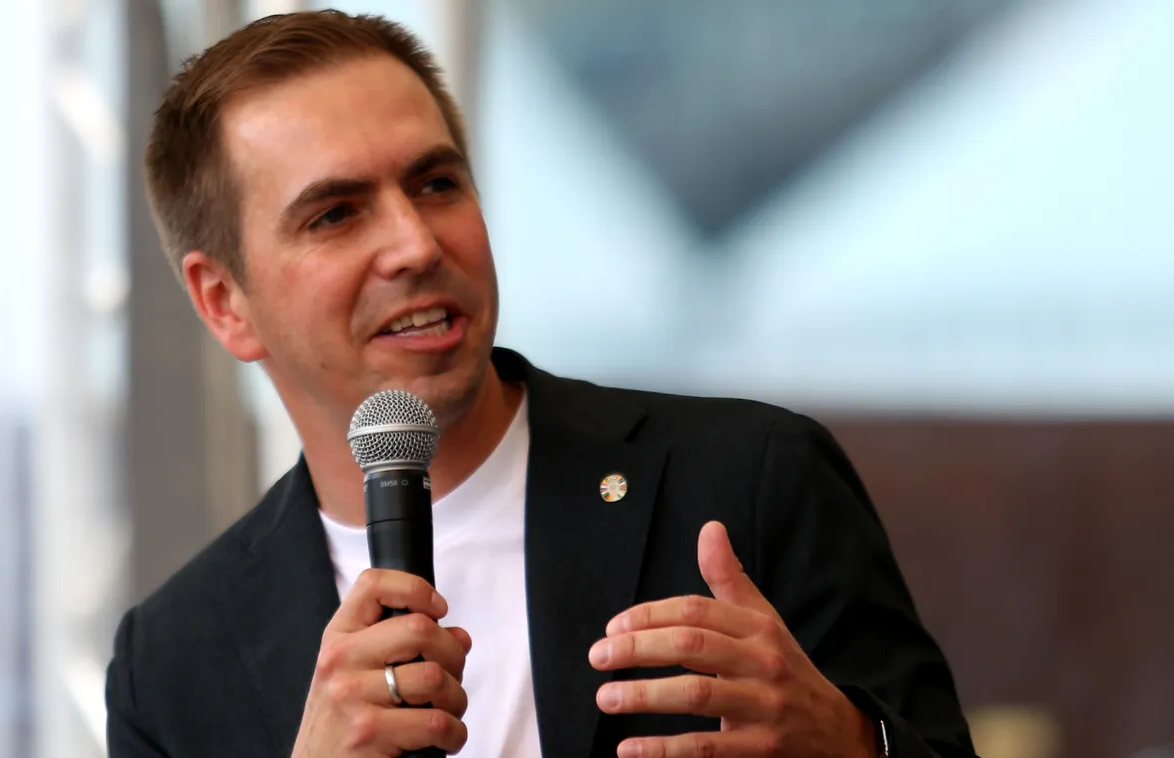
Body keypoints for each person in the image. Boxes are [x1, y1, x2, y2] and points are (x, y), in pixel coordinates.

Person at [107, 9, 976, 758]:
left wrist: (852, 744)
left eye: (436, 183)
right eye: (336, 214)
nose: (414, 243)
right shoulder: (175, 661)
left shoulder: (746, 482)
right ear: (225, 304)